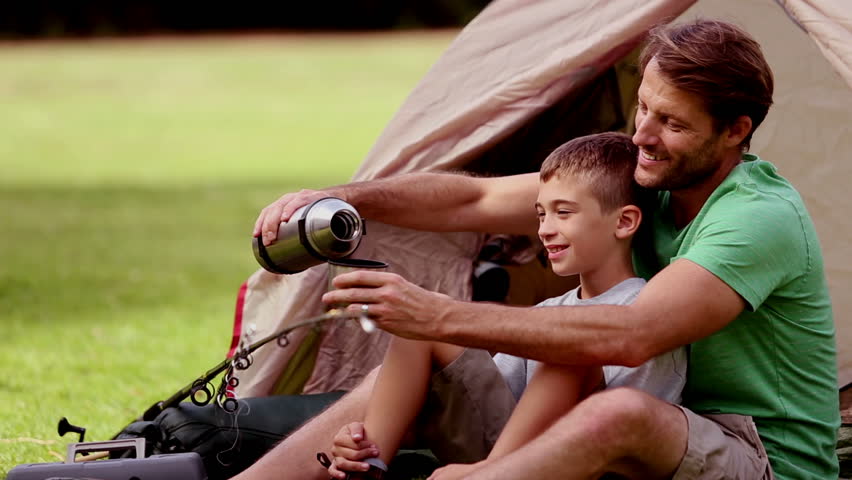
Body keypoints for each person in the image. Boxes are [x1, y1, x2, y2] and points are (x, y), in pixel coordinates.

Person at [241, 19, 839, 480]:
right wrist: (337, 195)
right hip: (622, 409)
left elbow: (629, 335)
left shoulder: (756, 217)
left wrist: (440, 310)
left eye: (672, 124)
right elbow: (471, 202)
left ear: (735, 131)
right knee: (421, 352)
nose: (643, 138)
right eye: (643, 108)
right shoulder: (652, 176)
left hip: (756, 458)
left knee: (607, 401)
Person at [323, 132, 686, 480]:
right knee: (422, 327)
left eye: (563, 212)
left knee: (571, 349)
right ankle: (365, 464)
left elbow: (637, 424)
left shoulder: (643, 310)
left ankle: (492, 475)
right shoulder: (549, 312)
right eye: (541, 214)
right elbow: (491, 397)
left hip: (584, 459)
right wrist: (358, 438)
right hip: (511, 446)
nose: (544, 229)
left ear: (624, 222)